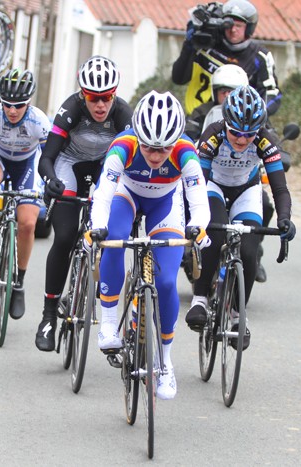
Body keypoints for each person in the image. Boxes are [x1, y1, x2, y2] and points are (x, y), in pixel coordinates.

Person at [86, 91, 211, 400]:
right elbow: (103, 193)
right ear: (137, 136)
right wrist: (97, 228)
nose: (156, 155)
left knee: (167, 281)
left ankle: (165, 362)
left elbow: (198, 198)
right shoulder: (123, 146)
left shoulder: (186, 151)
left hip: (165, 205)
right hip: (126, 195)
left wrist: (199, 227)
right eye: (149, 147)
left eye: (163, 148)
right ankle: (110, 321)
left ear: (176, 141)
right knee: (113, 240)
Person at [34, 55, 133, 352]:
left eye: (106, 98)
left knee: (106, 234)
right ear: (83, 95)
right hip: (69, 164)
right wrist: (51, 180)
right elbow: (47, 158)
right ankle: (49, 316)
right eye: (93, 98)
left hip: (106, 167)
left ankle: (99, 287)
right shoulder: (70, 109)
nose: (101, 105)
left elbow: (132, 162)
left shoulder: (123, 114)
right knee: (64, 236)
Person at [185, 85, 296, 349]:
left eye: (249, 134)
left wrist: (284, 219)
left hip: (246, 189)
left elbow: (280, 188)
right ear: (226, 124)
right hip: (212, 186)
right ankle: (200, 299)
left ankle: (237, 315)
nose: (242, 140)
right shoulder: (213, 135)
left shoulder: (265, 141)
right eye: (235, 133)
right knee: (214, 234)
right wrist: (194, 218)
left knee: (248, 251)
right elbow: (195, 181)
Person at [0, 69, 52, 320]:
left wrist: (49, 186)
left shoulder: (39, 121)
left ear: (29, 103)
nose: (12, 111)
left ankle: (19, 283)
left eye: (19, 106)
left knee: (27, 223)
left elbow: (49, 159)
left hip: (26, 165)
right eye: (7, 105)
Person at [183, 63, 271, 282]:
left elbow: (270, 137)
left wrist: (280, 154)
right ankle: (190, 244)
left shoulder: (256, 113)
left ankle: (254, 249)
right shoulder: (202, 112)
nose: (229, 96)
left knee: (266, 204)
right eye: (224, 91)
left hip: (245, 182)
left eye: (234, 91)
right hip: (213, 177)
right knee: (189, 197)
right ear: (215, 92)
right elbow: (187, 134)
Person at [171, 0, 281, 117]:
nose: (233, 30)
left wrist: (256, 114)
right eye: (229, 25)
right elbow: (178, 79)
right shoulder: (205, 44)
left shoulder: (260, 56)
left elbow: (273, 94)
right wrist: (189, 45)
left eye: (238, 26)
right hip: (196, 119)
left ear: (249, 28)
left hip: (237, 124)